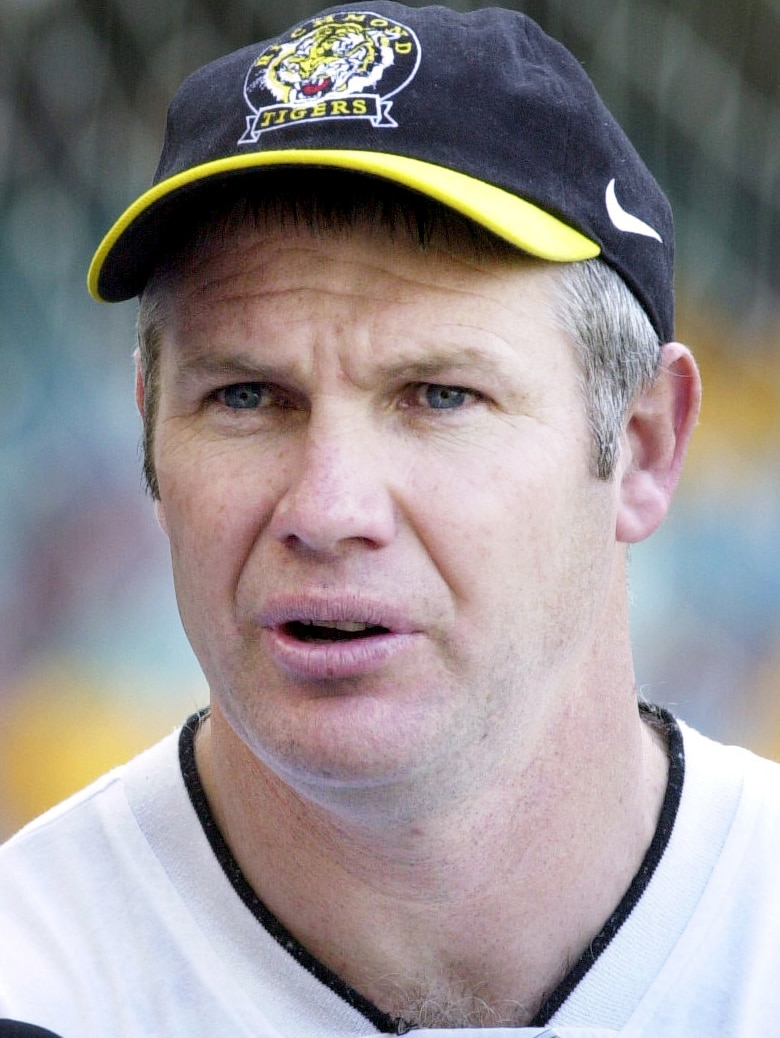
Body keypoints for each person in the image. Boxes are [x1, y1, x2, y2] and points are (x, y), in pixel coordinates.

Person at [1, 3, 778, 1035]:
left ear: (643, 443)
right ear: (149, 430)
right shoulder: (37, 986)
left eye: (439, 395)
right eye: (245, 396)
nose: (327, 509)